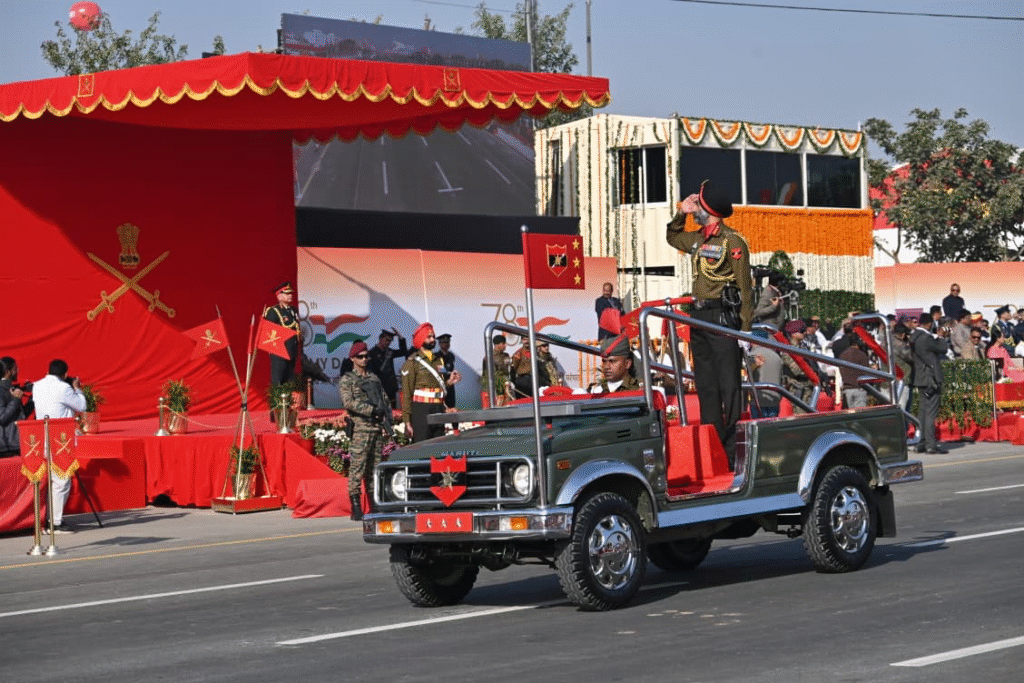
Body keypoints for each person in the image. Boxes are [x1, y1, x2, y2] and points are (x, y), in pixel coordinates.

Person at [666, 180, 753, 468]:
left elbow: (744, 287)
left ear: (709, 210)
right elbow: (672, 236)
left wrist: (745, 329)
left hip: (722, 316)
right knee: (706, 387)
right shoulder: (698, 238)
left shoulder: (732, 241)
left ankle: (733, 451)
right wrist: (681, 212)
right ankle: (714, 447)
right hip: (698, 316)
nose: (694, 211)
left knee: (730, 387)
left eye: (697, 206)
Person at [337, 341, 391, 521]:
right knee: (357, 468)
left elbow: (384, 399)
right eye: (360, 356)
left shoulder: (374, 378)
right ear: (352, 358)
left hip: (376, 428)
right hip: (361, 428)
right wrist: (370, 410)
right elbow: (349, 403)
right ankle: (356, 506)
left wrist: (386, 418)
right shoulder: (347, 380)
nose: (365, 359)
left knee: (374, 468)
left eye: (367, 356)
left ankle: (374, 504)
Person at [32, 359, 87, 532]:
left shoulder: (37, 385)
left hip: (41, 437)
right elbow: (82, 406)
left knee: (50, 480)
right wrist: (77, 388)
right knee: (62, 480)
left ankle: (49, 518)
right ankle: (54, 522)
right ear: (64, 374)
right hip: (60, 439)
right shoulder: (64, 388)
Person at [400, 323, 459, 443]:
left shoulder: (439, 360)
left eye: (433, 336)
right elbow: (406, 394)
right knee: (422, 448)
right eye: (429, 337)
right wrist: (407, 422)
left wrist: (449, 382)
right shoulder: (412, 362)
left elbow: (440, 385)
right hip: (421, 410)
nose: (433, 340)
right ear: (421, 339)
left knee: (438, 447)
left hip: (438, 408)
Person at [911, 313, 950, 454]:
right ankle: (930, 444)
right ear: (929, 324)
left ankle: (921, 442)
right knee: (930, 413)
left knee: (922, 411)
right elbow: (943, 348)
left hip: (921, 378)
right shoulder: (926, 338)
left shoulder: (914, 337)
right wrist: (940, 337)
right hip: (930, 378)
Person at [264, 282, 300, 386]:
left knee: (290, 383)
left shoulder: (293, 310)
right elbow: (268, 332)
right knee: (278, 382)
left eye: (291, 293)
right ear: (279, 296)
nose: (290, 295)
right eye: (287, 293)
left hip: (292, 352)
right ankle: (278, 402)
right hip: (279, 353)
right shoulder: (274, 311)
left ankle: (288, 402)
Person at [367, 328, 408, 409]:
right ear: (380, 339)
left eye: (390, 341)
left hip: (391, 388)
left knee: (393, 411)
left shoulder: (389, 352)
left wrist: (400, 337)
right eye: (386, 340)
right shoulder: (371, 353)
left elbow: (403, 352)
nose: (388, 343)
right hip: (379, 388)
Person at [1, 357, 31, 456]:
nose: (17, 371)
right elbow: (2, 417)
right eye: (15, 369)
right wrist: (15, 400)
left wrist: (32, 400)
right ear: (7, 371)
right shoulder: (2, 390)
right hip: (6, 446)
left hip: (16, 442)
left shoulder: (11, 388)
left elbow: (21, 416)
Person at [749, 333, 783, 418]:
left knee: (759, 428)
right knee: (772, 428)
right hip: (774, 399)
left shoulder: (752, 356)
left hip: (758, 400)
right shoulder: (776, 356)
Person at [838, 335, 872, 409]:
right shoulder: (862, 355)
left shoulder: (842, 355)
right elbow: (867, 374)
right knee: (860, 415)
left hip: (847, 389)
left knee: (849, 417)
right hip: (859, 388)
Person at [481, 334, 512, 405]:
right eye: (503, 344)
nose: (505, 345)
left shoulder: (506, 355)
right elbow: (488, 375)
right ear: (496, 345)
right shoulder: (489, 357)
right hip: (492, 388)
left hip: (504, 387)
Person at [436, 333, 457, 409]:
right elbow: (441, 370)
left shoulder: (451, 355)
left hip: (450, 386)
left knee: (451, 406)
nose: (447, 344)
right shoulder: (437, 356)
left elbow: (451, 368)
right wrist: (450, 373)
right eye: (444, 343)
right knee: (441, 407)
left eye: (448, 342)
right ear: (440, 344)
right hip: (442, 385)